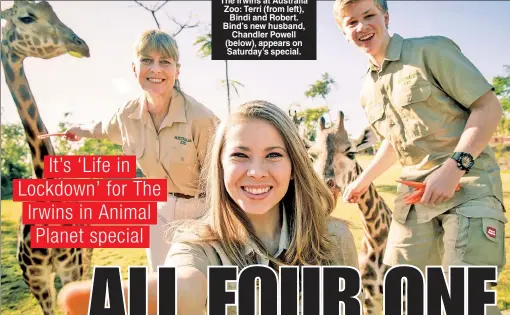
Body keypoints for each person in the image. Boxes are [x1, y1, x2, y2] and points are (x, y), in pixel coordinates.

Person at [56, 100, 363, 315]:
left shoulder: (334, 237)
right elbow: (184, 286)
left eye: (273, 155)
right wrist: (152, 296)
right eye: (240, 155)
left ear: (294, 166)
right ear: (219, 166)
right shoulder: (196, 245)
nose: (256, 171)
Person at [334, 0, 506, 313]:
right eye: (351, 22)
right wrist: (363, 180)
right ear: (344, 33)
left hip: (469, 189)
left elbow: (488, 107)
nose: (361, 27)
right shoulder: (367, 90)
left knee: (464, 298)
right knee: (402, 295)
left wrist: (454, 169)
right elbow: (393, 141)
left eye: (369, 16)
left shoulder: (431, 51)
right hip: (414, 200)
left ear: (385, 17)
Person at [64, 29, 219, 273]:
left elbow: (220, 174)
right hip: (158, 207)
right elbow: (102, 128)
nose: (155, 69)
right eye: (146, 60)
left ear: (177, 70)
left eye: (165, 62)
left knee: (193, 283)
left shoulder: (200, 117)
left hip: (200, 210)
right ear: (134, 68)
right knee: (160, 280)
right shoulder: (127, 114)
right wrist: (77, 130)